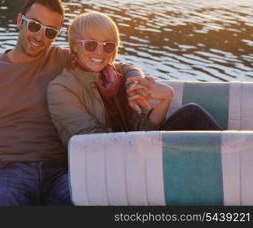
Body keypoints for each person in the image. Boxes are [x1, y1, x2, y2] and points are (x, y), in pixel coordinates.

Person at [0, 0, 146, 206]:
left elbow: (117, 66)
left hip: (62, 170)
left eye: (50, 32)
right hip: (10, 170)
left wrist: (134, 81)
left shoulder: (63, 59)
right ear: (20, 21)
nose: (40, 37)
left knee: (98, 198)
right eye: (34, 25)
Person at [47, 11, 222, 147]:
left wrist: (165, 98)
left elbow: (144, 129)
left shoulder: (115, 76)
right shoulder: (61, 88)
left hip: (136, 150)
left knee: (192, 113)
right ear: (75, 46)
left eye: (108, 46)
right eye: (91, 44)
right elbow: (93, 142)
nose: (100, 53)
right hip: (103, 164)